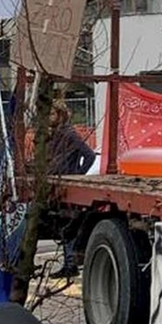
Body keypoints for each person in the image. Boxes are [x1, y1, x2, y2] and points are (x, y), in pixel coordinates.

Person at [45, 103, 96, 279]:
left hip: (66, 183)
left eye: (52, 114)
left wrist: (77, 175)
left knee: (68, 224)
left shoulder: (69, 134)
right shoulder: (55, 135)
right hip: (57, 183)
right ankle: (69, 262)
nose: (49, 117)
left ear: (60, 115)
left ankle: (70, 263)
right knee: (64, 225)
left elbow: (89, 155)